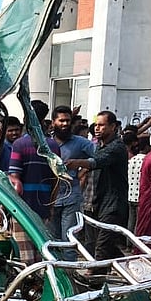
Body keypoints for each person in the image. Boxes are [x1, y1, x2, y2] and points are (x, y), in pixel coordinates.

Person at [67, 110, 128, 260]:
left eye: (102, 125)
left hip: (113, 203)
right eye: (96, 125)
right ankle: (123, 266)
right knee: (99, 244)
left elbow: (96, 162)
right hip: (96, 202)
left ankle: (94, 277)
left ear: (113, 127)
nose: (97, 128)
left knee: (102, 244)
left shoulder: (117, 147)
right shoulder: (99, 146)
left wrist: (77, 163)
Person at [46, 105, 94, 255]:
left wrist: (82, 165)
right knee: (51, 240)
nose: (65, 124)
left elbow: (99, 157)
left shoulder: (81, 142)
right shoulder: (45, 143)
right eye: (61, 121)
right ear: (53, 122)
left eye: (68, 120)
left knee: (69, 239)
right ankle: (55, 274)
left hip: (71, 197)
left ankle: (69, 274)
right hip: (50, 198)